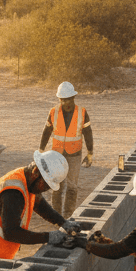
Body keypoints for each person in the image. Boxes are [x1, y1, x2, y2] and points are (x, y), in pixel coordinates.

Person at [0, 150, 81, 259]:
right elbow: (11, 233)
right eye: (45, 185)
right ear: (36, 172)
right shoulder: (13, 194)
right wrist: (48, 237)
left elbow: (40, 205)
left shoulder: (28, 180)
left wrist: (62, 222)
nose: (44, 190)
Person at [39, 81, 95, 217]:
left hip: (74, 154)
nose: (66, 103)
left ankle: (68, 216)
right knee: (57, 186)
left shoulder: (82, 112)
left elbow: (88, 133)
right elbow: (46, 131)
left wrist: (90, 153)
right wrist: (41, 150)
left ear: (73, 98)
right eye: (63, 100)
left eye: (69, 99)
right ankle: (56, 215)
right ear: (59, 99)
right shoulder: (53, 112)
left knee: (72, 187)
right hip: (57, 154)